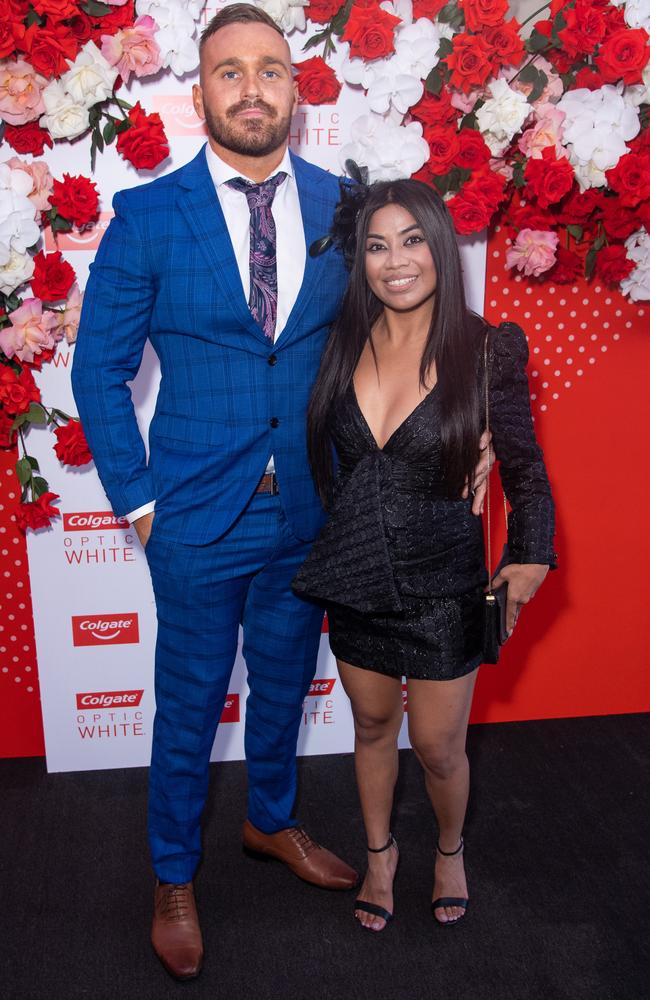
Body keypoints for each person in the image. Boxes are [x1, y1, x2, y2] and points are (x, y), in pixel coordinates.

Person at [72, 4, 491, 978]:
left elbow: (411, 308)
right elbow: (99, 370)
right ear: (200, 93)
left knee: (281, 689)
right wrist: (138, 501)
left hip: (313, 512)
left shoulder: (344, 206)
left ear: (295, 95)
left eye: (270, 70)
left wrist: (471, 429)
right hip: (193, 517)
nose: (251, 87)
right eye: (230, 71)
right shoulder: (146, 218)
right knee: (186, 705)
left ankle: (271, 821)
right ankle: (173, 874)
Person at [293, 179, 556, 932]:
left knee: (440, 749)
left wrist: (530, 555)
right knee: (371, 727)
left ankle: (447, 848)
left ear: (441, 248)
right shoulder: (337, 342)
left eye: (412, 240)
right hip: (355, 581)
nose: (395, 260)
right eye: (377, 245)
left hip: (444, 587)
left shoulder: (487, 348)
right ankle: (380, 855)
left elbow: (527, 470)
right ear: (360, 261)